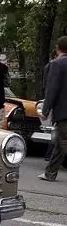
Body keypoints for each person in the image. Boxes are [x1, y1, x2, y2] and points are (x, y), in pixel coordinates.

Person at [38, 36, 67, 181]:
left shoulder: (57, 64)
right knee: (60, 143)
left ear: (57, 48)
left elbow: (52, 89)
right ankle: (50, 172)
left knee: (62, 143)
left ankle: (50, 173)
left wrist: (45, 110)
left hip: (63, 111)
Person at [43, 49, 58, 161]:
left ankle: (49, 153)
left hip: (52, 101)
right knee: (56, 129)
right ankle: (50, 153)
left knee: (54, 128)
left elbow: (46, 85)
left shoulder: (48, 66)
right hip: (55, 102)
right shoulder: (53, 66)